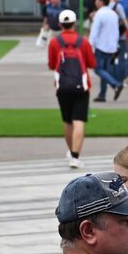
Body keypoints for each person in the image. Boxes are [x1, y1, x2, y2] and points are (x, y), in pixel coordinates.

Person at [46, 9, 95, 169]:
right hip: (81, 86)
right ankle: (75, 156)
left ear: (60, 24)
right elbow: (91, 64)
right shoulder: (83, 41)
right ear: (74, 23)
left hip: (63, 86)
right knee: (79, 120)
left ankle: (71, 151)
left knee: (67, 121)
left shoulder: (54, 42)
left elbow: (52, 65)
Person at [89, 0, 124, 103]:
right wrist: (115, 45)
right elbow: (116, 32)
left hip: (101, 46)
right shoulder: (113, 14)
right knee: (104, 70)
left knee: (98, 69)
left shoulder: (99, 14)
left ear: (101, 2)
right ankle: (102, 94)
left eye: (96, 0)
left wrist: (90, 45)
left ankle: (115, 84)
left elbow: (94, 31)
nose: (95, 2)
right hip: (111, 46)